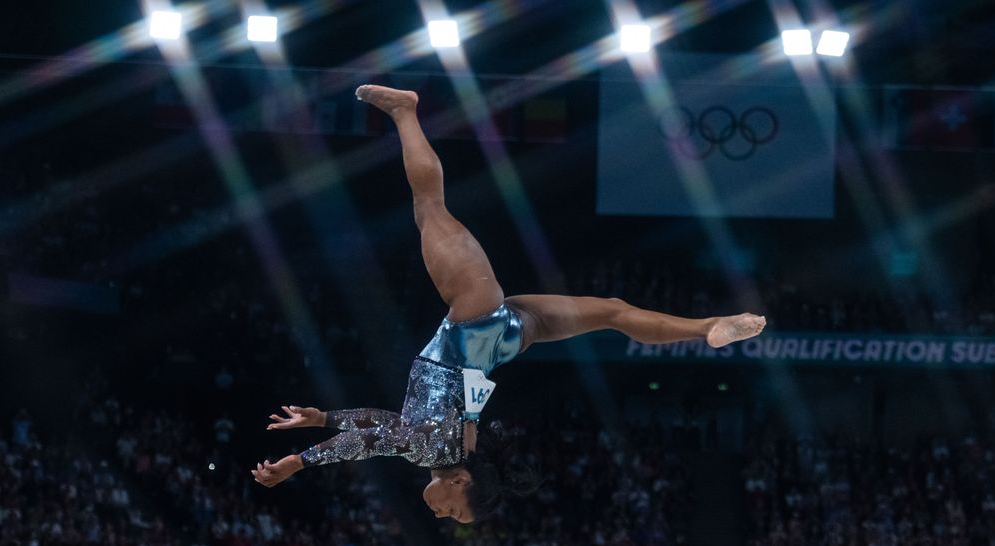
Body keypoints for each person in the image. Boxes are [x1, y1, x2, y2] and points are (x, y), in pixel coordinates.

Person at [251, 85, 766, 522]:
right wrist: (298, 462)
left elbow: (384, 423)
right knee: (429, 208)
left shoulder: (455, 450)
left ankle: (707, 327)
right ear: (460, 483)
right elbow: (375, 437)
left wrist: (322, 418)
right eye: (454, 511)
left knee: (611, 311)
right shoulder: (435, 453)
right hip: (474, 322)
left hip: (506, 341)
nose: (441, 514)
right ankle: (406, 110)